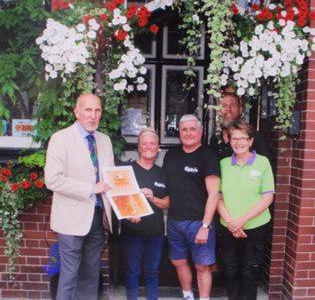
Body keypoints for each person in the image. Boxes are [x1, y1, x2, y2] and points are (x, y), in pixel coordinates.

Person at [45, 93, 114, 300]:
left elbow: (110, 182)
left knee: (91, 275)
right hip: (70, 219)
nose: (93, 116)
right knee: (69, 275)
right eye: (88, 110)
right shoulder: (60, 139)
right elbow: (53, 180)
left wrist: (121, 208)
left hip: (97, 218)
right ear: (76, 111)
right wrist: (91, 188)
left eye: (97, 110)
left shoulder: (105, 141)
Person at [163, 114, 220, 300]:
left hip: (199, 223)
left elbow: (214, 194)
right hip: (174, 220)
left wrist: (205, 226)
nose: (188, 133)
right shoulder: (171, 155)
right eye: (184, 129)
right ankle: (188, 296)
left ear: (201, 132)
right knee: (178, 261)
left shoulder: (208, 155)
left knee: (202, 266)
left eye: (192, 129)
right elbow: (166, 190)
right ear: (179, 132)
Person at [217, 120, 274, 300]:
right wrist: (232, 224)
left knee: (250, 271)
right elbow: (217, 197)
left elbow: (267, 197)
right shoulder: (223, 164)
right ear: (230, 141)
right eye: (235, 138)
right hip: (229, 227)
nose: (238, 142)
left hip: (256, 227)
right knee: (230, 269)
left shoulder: (262, 163)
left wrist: (241, 221)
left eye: (243, 138)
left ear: (250, 141)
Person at [121, 128, 169, 300]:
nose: (148, 146)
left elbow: (168, 202)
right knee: (132, 271)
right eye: (145, 143)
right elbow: (118, 199)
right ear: (139, 147)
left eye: (152, 143)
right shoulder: (127, 171)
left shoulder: (162, 172)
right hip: (132, 232)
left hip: (155, 233)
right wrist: (128, 214)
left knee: (152, 272)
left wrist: (153, 198)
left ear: (158, 148)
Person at [209, 92, 270, 160]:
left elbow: (265, 165)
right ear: (219, 111)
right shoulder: (215, 139)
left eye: (233, 105)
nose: (228, 109)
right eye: (224, 106)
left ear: (240, 109)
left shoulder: (255, 137)